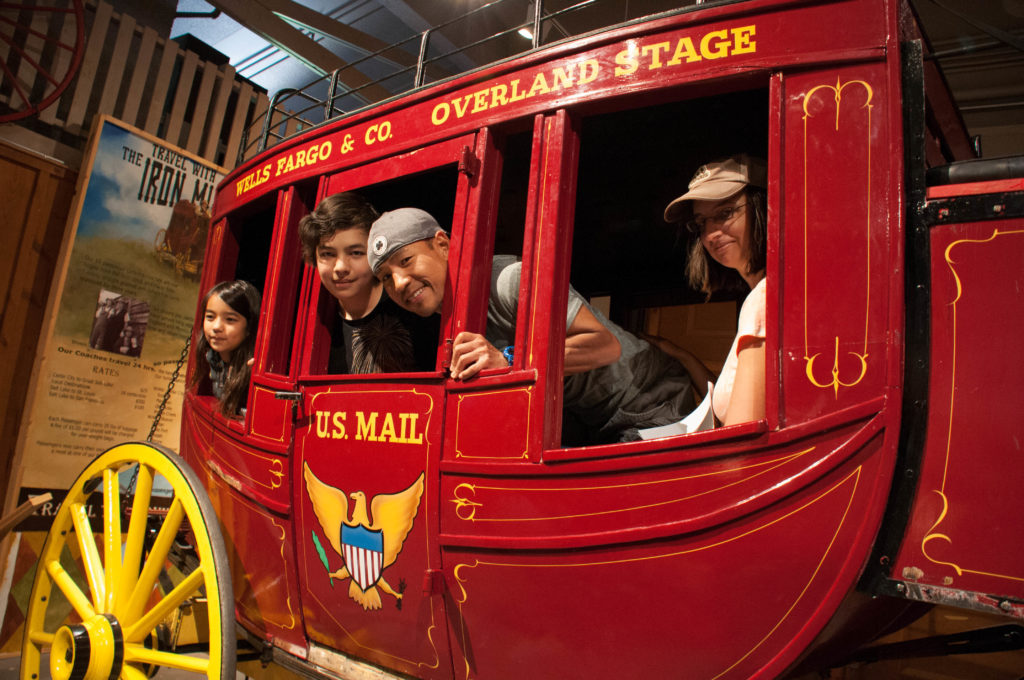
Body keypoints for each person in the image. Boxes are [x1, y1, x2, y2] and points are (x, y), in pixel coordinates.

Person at [367, 208, 695, 443]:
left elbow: (604, 346)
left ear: (442, 244)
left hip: (649, 402)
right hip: (591, 418)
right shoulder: (450, 316)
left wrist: (509, 361)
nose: (399, 283)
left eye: (406, 261)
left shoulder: (509, 280)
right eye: (385, 278)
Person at [650, 153, 767, 426]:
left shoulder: (762, 299)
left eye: (725, 213)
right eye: (701, 223)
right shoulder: (758, 297)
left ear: (763, 207)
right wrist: (680, 355)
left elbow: (742, 437)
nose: (711, 234)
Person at [298, 192, 439, 374]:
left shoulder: (412, 303)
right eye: (328, 254)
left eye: (355, 253)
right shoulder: (312, 323)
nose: (340, 267)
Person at [190, 280, 261, 416]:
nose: (216, 327)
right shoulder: (211, 356)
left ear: (249, 327)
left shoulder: (254, 367)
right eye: (210, 317)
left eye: (230, 320)